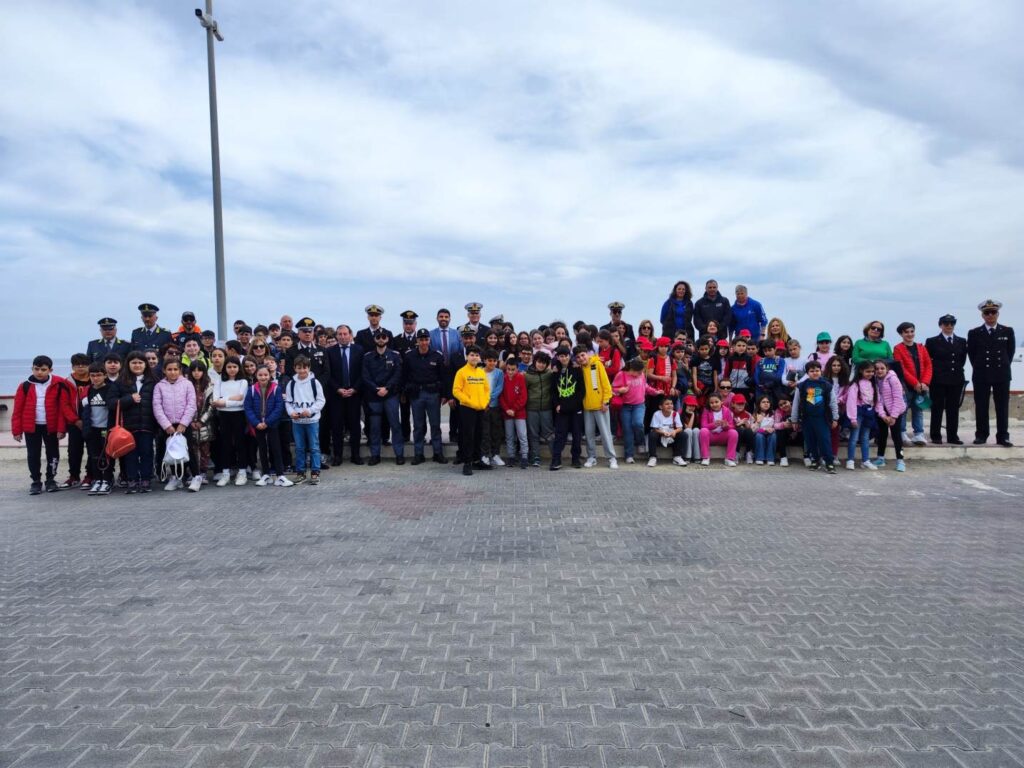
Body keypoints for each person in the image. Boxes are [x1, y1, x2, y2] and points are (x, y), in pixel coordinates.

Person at [13, 356, 76, 495]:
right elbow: (17, 409)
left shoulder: (59, 383)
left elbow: (62, 407)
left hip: (51, 426)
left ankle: (50, 480)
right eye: (36, 369)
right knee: (33, 454)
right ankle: (36, 481)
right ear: (32, 369)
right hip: (31, 426)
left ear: (50, 370)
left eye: (43, 369)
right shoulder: (25, 385)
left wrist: (61, 428)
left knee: (53, 454)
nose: (39, 372)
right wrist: (16, 430)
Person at [967, 299, 1015, 447]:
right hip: (982, 374)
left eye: (993, 312)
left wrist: (1002, 366)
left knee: (1002, 407)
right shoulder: (974, 333)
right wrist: (981, 367)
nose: (990, 315)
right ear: (982, 315)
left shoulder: (1007, 331)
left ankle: (1003, 436)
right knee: (981, 406)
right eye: (987, 313)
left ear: (998, 314)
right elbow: (972, 354)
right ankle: (981, 435)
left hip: (1001, 374)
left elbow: (1010, 353)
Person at [152, 359, 198, 491]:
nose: (172, 372)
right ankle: (177, 478)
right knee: (172, 452)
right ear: (164, 371)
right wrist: (166, 425)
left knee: (188, 449)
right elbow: (157, 406)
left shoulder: (187, 384)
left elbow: (191, 404)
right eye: (169, 370)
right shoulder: (159, 386)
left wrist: (183, 423)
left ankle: (196, 476)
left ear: (180, 370)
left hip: (183, 424)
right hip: (167, 426)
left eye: (175, 369)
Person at [403, 328, 447, 464]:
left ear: (429, 340)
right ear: (417, 341)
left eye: (426, 339)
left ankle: (438, 453)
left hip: (433, 394)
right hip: (416, 395)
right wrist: (405, 392)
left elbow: (443, 376)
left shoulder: (437, 355)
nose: (423, 342)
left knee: (435, 425)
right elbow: (404, 375)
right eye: (421, 339)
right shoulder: (409, 356)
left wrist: (444, 394)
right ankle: (418, 454)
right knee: (418, 426)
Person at [361, 328, 405, 465]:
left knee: (395, 425)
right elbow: (365, 376)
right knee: (374, 427)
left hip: (390, 395)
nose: (381, 339)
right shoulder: (367, 357)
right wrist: (376, 389)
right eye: (378, 337)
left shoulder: (395, 355)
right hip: (374, 396)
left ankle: (399, 454)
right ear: (375, 339)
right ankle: (375, 455)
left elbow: (398, 374)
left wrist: (387, 388)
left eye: (383, 337)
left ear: (387, 339)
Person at [244, 365, 293, 487]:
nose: (263, 377)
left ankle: (280, 475)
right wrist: (256, 423)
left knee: (276, 448)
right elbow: (248, 407)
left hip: (272, 424)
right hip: (258, 425)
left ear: (270, 375)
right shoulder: (251, 389)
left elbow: (279, 407)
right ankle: (266, 474)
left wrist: (268, 422)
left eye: (265, 375)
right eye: (260, 375)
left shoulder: (276, 388)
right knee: (262, 449)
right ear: (256, 376)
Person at [116, 351, 157, 494]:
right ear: (128, 364)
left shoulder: (153, 381)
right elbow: (112, 403)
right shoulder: (121, 382)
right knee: (130, 454)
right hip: (128, 426)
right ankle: (132, 480)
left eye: (140, 362)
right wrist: (129, 399)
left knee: (147, 452)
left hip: (148, 424)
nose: (137, 365)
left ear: (145, 364)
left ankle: (146, 479)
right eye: (134, 362)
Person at [925, 314, 967, 445]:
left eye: (951, 323)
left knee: (953, 409)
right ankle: (936, 435)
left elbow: (962, 360)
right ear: (940, 325)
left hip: (956, 379)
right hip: (938, 380)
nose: (949, 326)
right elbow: (928, 361)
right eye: (945, 323)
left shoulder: (961, 341)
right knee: (937, 408)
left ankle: (952, 436)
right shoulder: (932, 341)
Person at [326, 325, 365, 465]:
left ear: (350, 335)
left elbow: (362, 373)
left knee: (355, 426)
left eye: (345, 334)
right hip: (337, 395)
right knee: (337, 426)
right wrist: (338, 389)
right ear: (336, 336)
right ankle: (338, 456)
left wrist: (355, 388)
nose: (342, 336)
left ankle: (356, 455)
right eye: (340, 334)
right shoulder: (330, 351)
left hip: (354, 394)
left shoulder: (359, 350)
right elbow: (328, 374)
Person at [790, 360, 838, 473]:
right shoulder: (801, 386)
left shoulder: (826, 385)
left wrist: (835, 418)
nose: (815, 373)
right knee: (810, 441)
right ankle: (815, 460)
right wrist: (794, 420)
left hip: (822, 418)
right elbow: (796, 403)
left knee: (824, 440)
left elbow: (833, 403)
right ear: (807, 373)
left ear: (821, 371)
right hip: (807, 418)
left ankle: (829, 463)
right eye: (812, 371)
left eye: (817, 370)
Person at [284, 356, 325, 484]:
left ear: (309, 368)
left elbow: (321, 400)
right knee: (299, 447)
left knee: (314, 447)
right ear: (295, 368)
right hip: (297, 422)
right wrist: (292, 413)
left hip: (312, 421)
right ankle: (300, 472)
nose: (302, 370)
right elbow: (288, 402)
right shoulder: (291, 383)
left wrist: (311, 410)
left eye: (305, 367)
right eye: (299, 367)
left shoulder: (315, 382)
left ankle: (315, 472)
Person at [451, 344, 490, 475]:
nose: (474, 357)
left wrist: (484, 402)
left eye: (477, 355)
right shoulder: (461, 372)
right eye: (472, 355)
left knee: (479, 435)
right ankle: (467, 463)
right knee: (468, 436)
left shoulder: (481, 372)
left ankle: (477, 460)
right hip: (467, 408)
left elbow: (486, 389)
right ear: (467, 356)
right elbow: (456, 391)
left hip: (480, 408)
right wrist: (468, 400)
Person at [892, 321, 932, 446]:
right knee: (903, 409)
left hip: (921, 386)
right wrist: (915, 383)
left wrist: (924, 382)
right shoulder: (898, 348)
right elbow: (901, 368)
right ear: (901, 334)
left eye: (911, 331)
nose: (909, 334)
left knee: (918, 409)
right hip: (906, 385)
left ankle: (919, 434)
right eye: (906, 332)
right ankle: (902, 432)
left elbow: (928, 365)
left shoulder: (921, 347)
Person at [578, 346, 618, 469]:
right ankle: (591, 457)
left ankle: (611, 458)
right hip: (587, 407)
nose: (581, 358)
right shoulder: (579, 368)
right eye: (578, 357)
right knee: (589, 434)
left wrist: (606, 401)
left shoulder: (597, 364)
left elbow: (606, 384)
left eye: (583, 355)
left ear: (588, 354)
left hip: (601, 406)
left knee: (605, 433)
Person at [612, 358, 658, 464]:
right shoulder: (621, 374)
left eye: (641, 372)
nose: (640, 374)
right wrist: (620, 390)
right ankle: (629, 455)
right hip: (625, 406)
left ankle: (640, 442)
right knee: (627, 430)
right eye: (638, 372)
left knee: (637, 424)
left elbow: (645, 386)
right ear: (632, 369)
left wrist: (655, 392)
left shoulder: (641, 375)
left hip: (639, 405)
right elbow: (612, 388)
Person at [80, 363, 116, 495]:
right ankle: (97, 479)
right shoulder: (88, 390)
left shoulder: (111, 389)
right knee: (93, 456)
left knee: (106, 455)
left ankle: (107, 480)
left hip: (106, 428)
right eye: (93, 375)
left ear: (105, 375)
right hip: (92, 428)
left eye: (99, 375)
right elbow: (83, 410)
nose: (96, 378)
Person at [212, 356, 249, 486]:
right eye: (229, 367)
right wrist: (233, 399)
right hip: (223, 416)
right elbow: (216, 401)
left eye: (234, 367)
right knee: (225, 444)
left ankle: (242, 472)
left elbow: (242, 401)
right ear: (225, 368)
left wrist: (225, 400)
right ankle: (226, 473)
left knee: (240, 443)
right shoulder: (219, 382)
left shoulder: (243, 382)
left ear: (239, 368)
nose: (232, 369)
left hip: (239, 415)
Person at [549, 348, 585, 471]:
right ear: (558, 357)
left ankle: (576, 458)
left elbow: (581, 390)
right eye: (561, 356)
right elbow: (553, 391)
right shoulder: (555, 371)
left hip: (575, 409)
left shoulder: (577, 369)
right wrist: (557, 405)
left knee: (577, 435)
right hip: (561, 409)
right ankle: (556, 459)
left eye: (565, 356)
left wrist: (574, 405)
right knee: (560, 435)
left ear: (569, 356)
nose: (563, 358)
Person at [62, 353, 91, 489]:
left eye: (84, 364)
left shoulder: (95, 379)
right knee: (74, 450)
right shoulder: (66, 382)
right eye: (77, 365)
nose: (80, 367)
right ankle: (74, 476)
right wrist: (75, 420)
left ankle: (90, 476)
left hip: (93, 422)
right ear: (72, 366)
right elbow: (64, 404)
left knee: (93, 450)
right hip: (74, 423)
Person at [873, 359, 907, 472]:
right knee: (881, 435)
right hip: (883, 412)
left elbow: (898, 398)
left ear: (887, 369)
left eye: (882, 368)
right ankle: (880, 458)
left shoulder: (893, 379)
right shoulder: (875, 381)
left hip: (895, 411)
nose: (879, 371)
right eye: (877, 369)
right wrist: (883, 415)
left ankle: (900, 460)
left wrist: (893, 416)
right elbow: (877, 400)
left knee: (896, 436)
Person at [392, 310, 420, 442]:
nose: (408, 326)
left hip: (416, 381)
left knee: (418, 412)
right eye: (406, 323)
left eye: (411, 323)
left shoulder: (421, 339)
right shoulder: (396, 340)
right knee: (404, 411)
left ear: (415, 324)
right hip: (402, 382)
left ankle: (419, 436)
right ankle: (405, 435)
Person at [845, 361, 878, 471]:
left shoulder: (873, 384)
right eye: (868, 371)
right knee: (854, 437)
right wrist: (853, 418)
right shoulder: (855, 384)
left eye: (872, 371)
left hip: (869, 413)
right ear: (861, 371)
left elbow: (876, 400)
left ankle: (865, 460)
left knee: (865, 438)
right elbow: (851, 401)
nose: (871, 373)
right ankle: (850, 460)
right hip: (858, 413)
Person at [523, 350, 554, 467]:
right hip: (531, 409)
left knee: (549, 433)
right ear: (535, 361)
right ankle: (535, 457)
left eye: (544, 363)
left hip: (546, 408)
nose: (541, 365)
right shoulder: (527, 375)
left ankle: (555, 455)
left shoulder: (550, 374)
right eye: (539, 362)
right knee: (533, 434)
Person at [499, 356, 529, 469]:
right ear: (506, 369)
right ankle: (511, 456)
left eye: (513, 369)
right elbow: (501, 396)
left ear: (517, 369)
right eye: (508, 369)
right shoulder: (504, 378)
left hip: (519, 413)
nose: (510, 372)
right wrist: (507, 409)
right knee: (509, 436)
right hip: (507, 413)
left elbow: (523, 397)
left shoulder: (521, 378)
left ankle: (524, 456)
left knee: (522, 435)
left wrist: (514, 409)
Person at [480, 349, 505, 466]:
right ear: (484, 360)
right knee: (485, 432)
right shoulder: (479, 372)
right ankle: (485, 455)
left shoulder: (499, 373)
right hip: (482, 406)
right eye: (490, 360)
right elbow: (478, 389)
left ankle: (495, 454)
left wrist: (488, 400)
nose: (492, 363)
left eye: (494, 361)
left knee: (496, 431)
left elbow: (499, 389)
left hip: (494, 406)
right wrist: (483, 401)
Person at [699, 392, 738, 466]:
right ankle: (706, 457)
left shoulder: (727, 410)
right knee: (703, 431)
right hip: (711, 436)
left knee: (734, 432)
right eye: (711, 403)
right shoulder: (706, 410)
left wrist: (726, 426)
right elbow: (703, 425)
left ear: (721, 402)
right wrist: (713, 425)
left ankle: (729, 458)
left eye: (716, 402)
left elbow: (732, 426)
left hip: (722, 435)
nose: (714, 404)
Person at [647, 396, 686, 467]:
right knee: (652, 434)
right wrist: (663, 433)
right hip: (660, 437)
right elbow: (655, 429)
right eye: (667, 404)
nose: (670, 405)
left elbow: (680, 428)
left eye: (671, 403)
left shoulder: (675, 414)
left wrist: (674, 431)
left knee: (683, 434)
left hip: (671, 436)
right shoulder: (657, 414)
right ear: (661, 407)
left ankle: (677, 456)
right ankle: (652, 457)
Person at [729, 394, 756, 464]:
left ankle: (748, 453)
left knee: (749, 431)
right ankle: (736, 453)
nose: (741, 406)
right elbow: (728, 426)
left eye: (742, 404)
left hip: (746, 436)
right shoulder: (729, 413)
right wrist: (738, 424)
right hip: (734, 436)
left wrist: (748, 425)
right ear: (733, 404)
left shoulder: (748, 414)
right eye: (738, 404)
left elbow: (753, 428)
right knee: (739, 430)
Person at [752, 395, 777, 466]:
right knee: (759, 436)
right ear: (759, 404)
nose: (766, 404)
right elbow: (753, 430)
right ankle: (759, 458)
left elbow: (777, 425)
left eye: (768, 402)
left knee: (773, 436)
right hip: (759, 434)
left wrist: (773, 429)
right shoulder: (755, 414)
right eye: (763, 402)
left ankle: (770, 459)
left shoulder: (773, 413)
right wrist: (758, 422)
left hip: (771, 433)